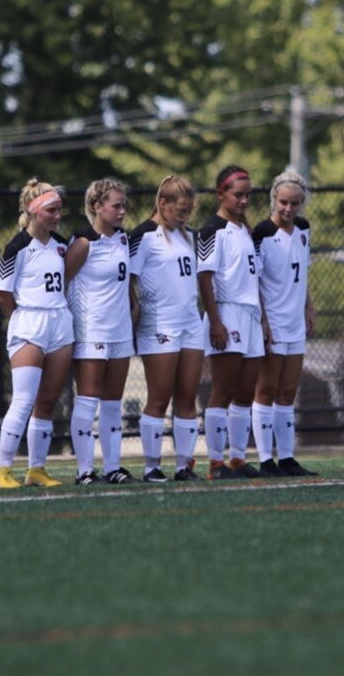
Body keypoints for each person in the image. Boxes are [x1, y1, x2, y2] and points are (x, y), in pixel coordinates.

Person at [0, 178, 74, 489]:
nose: (57, 216)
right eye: (51, 210)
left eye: (59, 210)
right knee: (23, 400)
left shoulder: (61, 244)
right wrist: (20, 319)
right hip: (29, 323)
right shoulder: (17, 247)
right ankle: (3, 470)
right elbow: (2, 292)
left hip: (60, 324)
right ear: (34, 211)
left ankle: (36, 469)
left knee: (47, 401)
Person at [129, 175, 206, 482]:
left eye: (188, 210)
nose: (185, 214)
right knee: (159, 397)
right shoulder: (143, 235)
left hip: (190, 322)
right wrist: (134, 315)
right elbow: (127, 281)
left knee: (188, 397)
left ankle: (184, 466)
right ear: (163, 203)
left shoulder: (189, 236)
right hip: (158, 323)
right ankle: (151, 467)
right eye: (180, 209)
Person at [198, 165, 269, 479]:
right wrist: (215, 321)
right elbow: (204, 277)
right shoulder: (212, 229)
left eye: (247, 195)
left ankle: (238, 459)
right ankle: (216, 463)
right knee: (223, 390)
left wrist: (263, 319)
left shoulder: (245, 230)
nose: (243, 201)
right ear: (220, 193)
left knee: (245, 391)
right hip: (226, 313)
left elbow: (253, 280)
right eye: (237, 194)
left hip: (251, 315)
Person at [65, 178, 137, 484]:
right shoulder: (83, 242)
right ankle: (84, 470)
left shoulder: (122, 239)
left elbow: (128, 283)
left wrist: (134, 311)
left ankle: (112, 468)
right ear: (96, 206)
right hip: (91, 329)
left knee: (112, 402)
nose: (122, 211)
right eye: (115, 205)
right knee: (88, 398)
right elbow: (64, 283)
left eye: (123, 205)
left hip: (120, 330)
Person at [251, 170, 319, 476]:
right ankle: (266, 459)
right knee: (266, 389)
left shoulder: (303, 229)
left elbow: (302, 273)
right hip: (273, 320)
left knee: (289, 391)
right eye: (283, 202)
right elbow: (254, 280)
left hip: (294, 320)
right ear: (273, 201)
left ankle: (287, 457)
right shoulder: (262, 233)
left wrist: (309, 307)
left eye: (295, 203)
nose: (289, 209)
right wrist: (263, 320)